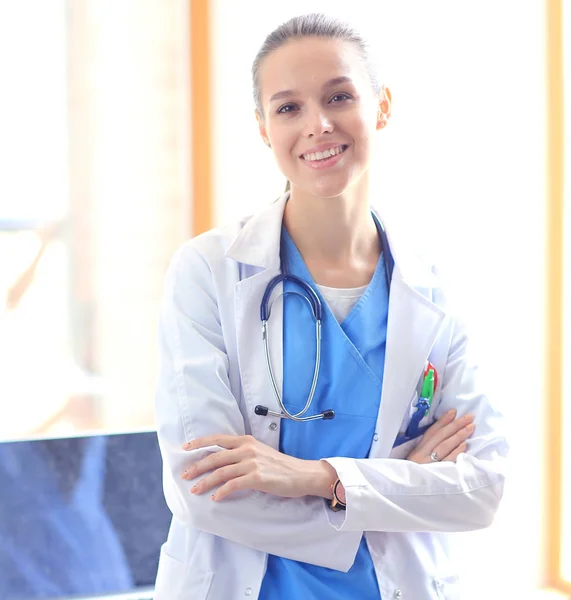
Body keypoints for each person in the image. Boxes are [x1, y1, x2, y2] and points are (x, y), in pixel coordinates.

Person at [154, 13, 508, 600]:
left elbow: (483, 486)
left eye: (339, 96)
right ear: (264, 128)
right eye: (288, 107)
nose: (317, 125)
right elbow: (204, 487)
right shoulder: (208, 272)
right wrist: (404, 486)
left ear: (382, 107)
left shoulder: (437, 287)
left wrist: (318, 478)